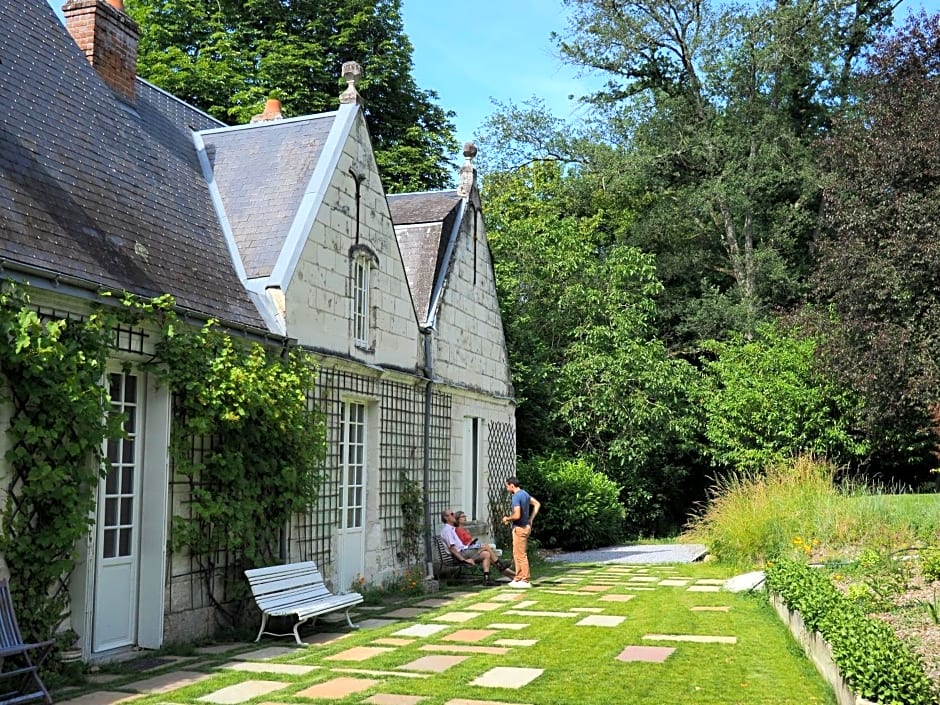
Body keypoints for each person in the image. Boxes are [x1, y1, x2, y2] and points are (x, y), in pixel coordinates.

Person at [440, 509, 512, 585]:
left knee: (486, 554)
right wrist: (464, 560)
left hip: (464, 551)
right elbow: (452, 548)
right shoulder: (447, 530)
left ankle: (486, 579)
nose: (453, 515)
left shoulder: (451, 529)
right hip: (461, 554)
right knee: (485, 545)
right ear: (446, 518)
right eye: (451, 514)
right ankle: (500, 564)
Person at [501, 476, 540, 588]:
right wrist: (531, 519)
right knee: (516, 553)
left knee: (521, 554)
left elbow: (517, 515)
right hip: (525, 527)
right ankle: (518, 578)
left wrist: (507, 519)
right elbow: (537, 504)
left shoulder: (516, 497)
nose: (506, 487)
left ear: (511, 485)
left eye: (507, 485)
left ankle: (525, 580)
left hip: (520, 528)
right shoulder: (525, 494)